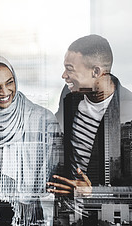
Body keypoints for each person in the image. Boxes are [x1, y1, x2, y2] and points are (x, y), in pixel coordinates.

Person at [48, 35, 132, 224]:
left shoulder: (128, 110)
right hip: (69, 213)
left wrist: (93, 192)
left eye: (69, 69)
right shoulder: (70, 95)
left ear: (96, 72)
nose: (64, 75)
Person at [0, 54, 61, 225]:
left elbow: (53, 173)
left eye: (9, 82)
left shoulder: (42, 120)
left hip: (30, 213)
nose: (5, 92)